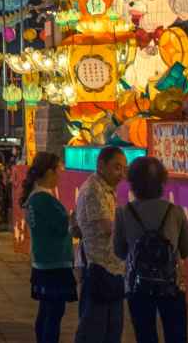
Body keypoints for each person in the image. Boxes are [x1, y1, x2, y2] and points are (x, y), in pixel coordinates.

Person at [113, 156, 188, 343]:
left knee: (145, 335)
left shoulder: (124, 213)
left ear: (132, 183)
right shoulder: (175, 212)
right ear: (162, 182)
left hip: (137, 285)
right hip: (172, 284)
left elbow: (119, 251)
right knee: (176, 335)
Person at [72, 145, 128, 343]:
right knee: (94, 330)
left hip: (112, 268)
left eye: (124, 168)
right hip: (99, 269)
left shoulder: (106, 189)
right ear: (101, 165)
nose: (121, 173)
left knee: (112, 329)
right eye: (117, 167)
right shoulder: (94, 190)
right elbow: (107, 227)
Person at [24, 152, 75, 343]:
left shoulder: (34, 198)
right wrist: (75, 218)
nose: (60, 176)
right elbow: (63, 226)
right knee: (53, 315)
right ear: (49, 172)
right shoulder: (44, 200)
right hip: (54, 262)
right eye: (58, 171)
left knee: (46, 312)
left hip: (42, 261)